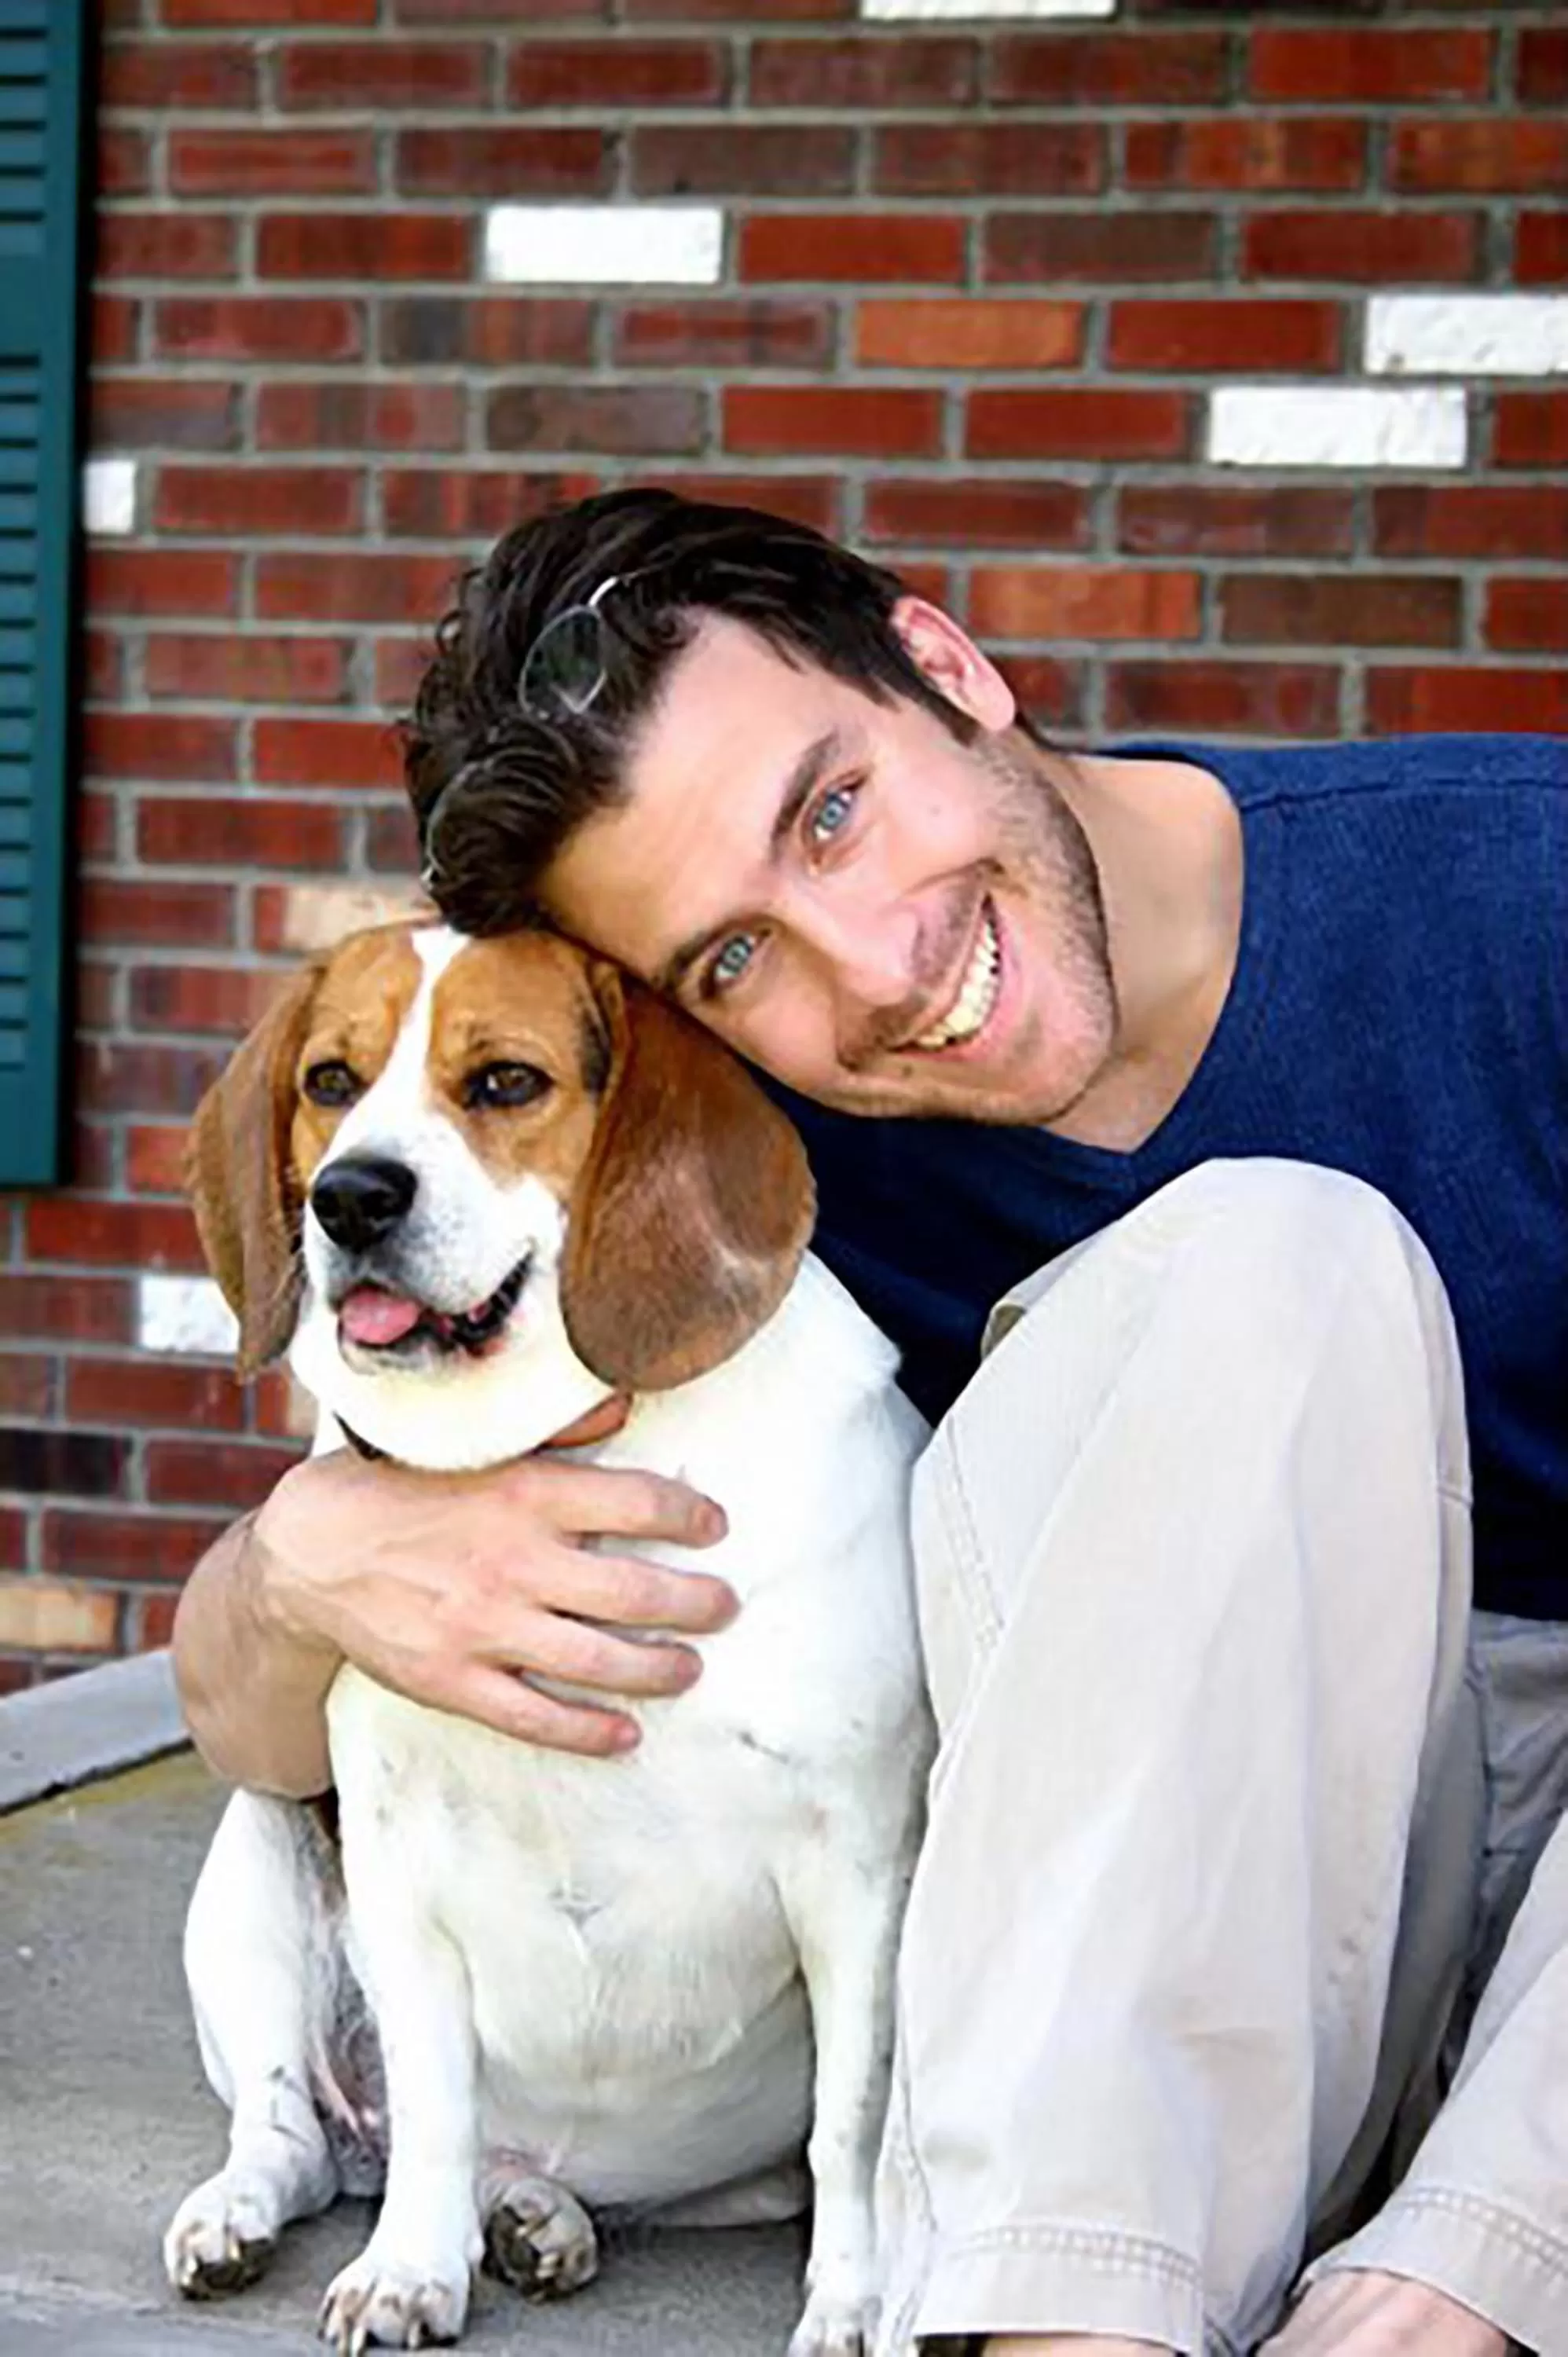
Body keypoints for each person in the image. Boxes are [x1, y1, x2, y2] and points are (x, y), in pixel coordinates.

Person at [173, 488, 1567, 2357]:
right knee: (1268, 1252)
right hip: (1191, 1916)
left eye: (829, 808)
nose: (875, 964)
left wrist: (1484, 2247)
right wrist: (310, 1558)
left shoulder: (1518, 896)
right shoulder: (735, 1162)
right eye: (730, 959)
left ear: (943, 665)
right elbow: (249, 1728)